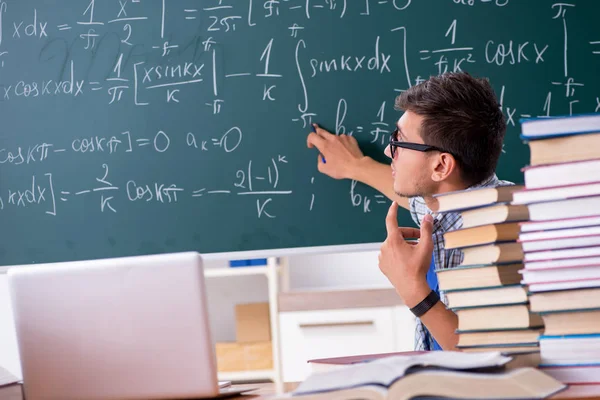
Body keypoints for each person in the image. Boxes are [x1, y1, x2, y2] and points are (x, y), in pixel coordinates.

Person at [306, 72, 512, 351]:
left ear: (441, 166)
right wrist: (354, 166)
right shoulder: (444, 205)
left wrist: (413, 290)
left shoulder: (503, 236)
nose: (390, 153)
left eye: (399, 142)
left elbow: (491, 355)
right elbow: (408, 196)